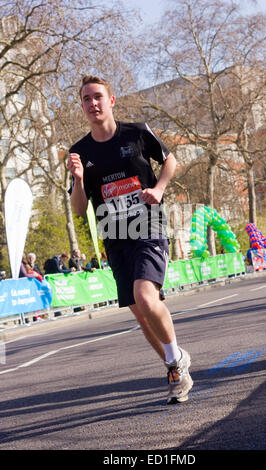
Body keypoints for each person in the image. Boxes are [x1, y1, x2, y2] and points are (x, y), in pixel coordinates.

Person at [67, 75, 193, 405]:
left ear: (111, 101)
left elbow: (170, 160)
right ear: (82, 106)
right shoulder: (80, 152)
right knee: (140, 312)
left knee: (145, 295)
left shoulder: (136, 132)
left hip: (147, 225)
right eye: (86, 99)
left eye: (97, 97)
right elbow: (79, 210)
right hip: (114, 236)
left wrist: (160, 188)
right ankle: (174, 363)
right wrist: (79, 180)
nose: (92, 103)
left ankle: (176, 364)